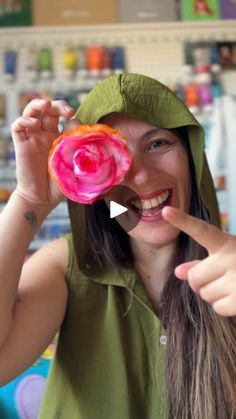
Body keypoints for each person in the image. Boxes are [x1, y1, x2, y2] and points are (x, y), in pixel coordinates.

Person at [0, 73, 235, 419]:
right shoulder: (65, 266)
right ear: (92, 187)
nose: (139, 176)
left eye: (158, 144)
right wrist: (28, 202)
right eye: (112, 152)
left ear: (191, 157)